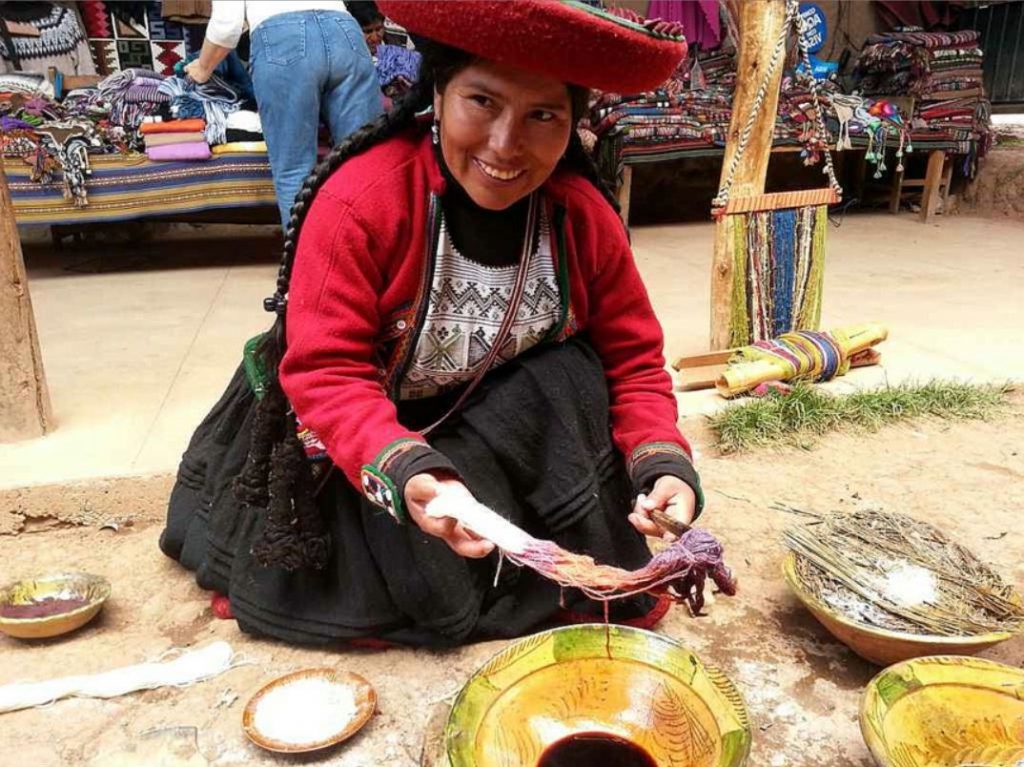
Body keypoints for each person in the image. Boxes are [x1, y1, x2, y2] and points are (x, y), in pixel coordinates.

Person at [161, 0, 704, 648]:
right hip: (356, 421)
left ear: (574, 127)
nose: (506, 145)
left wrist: (664, 466)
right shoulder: (361, 201)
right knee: (385, 588)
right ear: (436, 94)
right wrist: (411, 472)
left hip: (480, 403)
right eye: (482, 101)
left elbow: (632, 360)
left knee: (572, 375)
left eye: (543, 115)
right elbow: (325, 372)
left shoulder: (580, 217)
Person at [184, 1, 382, 229]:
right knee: (363, 164)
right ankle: (370, 260)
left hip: (281, 39)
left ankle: (308, 261)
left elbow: (227, 27)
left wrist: (202, 67)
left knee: (294, 171)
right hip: (345, 32)